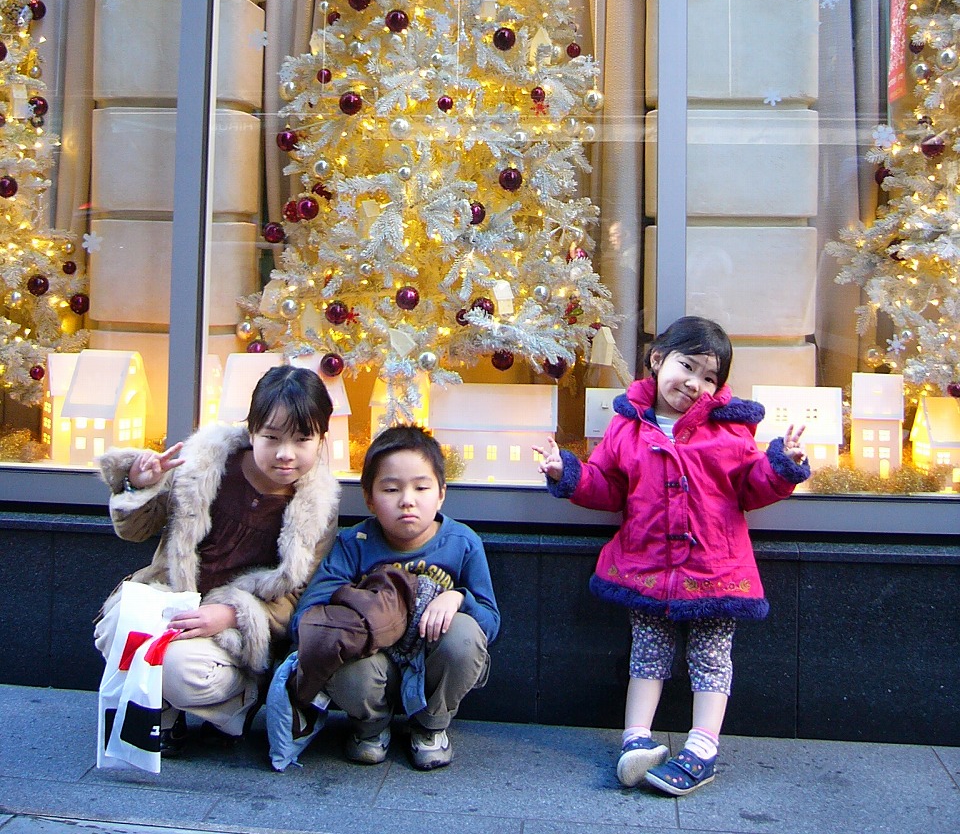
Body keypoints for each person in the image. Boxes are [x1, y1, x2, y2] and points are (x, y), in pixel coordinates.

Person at [539, 316, 809, 796]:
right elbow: (608, 486)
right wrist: (569, 473)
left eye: (710, 377)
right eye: (688, 366)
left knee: (711, 656)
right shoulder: (627, 426)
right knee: (647, 652)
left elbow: (751, 486)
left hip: (715, 567)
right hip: (647, 564)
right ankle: (635, 741)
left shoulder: (729, 430)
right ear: (658, 359)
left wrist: (782, 464)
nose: (695, 384)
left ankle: (702, 748)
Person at [95, 364, 340, 756]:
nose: (285, 454)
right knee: (114, 627)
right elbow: (135, 531)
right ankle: (163, 709)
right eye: (271, 437)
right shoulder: (205, 462)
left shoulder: (317, 506)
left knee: (179, 669)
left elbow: (298, 595)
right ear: (251, 430)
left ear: (321, 439)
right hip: (172, 599)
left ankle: (235, 701)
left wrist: (231, 615)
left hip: (231, 632)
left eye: (302, 440)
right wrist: (141, 484)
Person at [279, 424, 499, 771]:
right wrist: (361, 612)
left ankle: (430, 726)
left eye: (421, 487)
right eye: (391, 489)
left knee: (465, 635)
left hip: (432, 664)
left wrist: (458, 598)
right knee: (334, 646)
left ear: (441, 493)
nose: (407, 500)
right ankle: (370, 727)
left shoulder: (462, 542)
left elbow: (490, 623)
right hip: (373, 665)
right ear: (369, 498)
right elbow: (307, 616)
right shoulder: (354, 544)